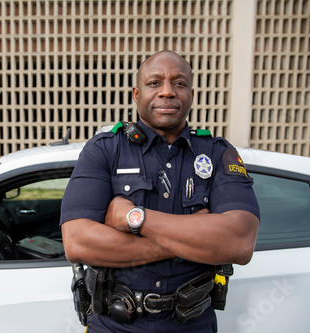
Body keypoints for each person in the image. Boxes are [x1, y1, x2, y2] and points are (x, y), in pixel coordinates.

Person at [60, 50, 260, 332]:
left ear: (191, 93)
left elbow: (238, 243)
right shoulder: (105, 149)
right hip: (112, 325)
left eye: (178, 83)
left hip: (191, 325)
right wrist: (193, 239)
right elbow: (78, 242)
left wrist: (135, 218)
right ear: (136, 94)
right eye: (155, 83)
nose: (167, 91)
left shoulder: (217, 154)